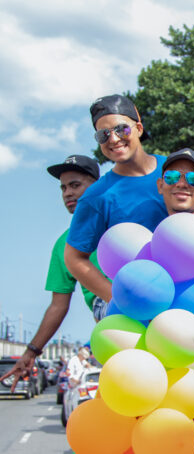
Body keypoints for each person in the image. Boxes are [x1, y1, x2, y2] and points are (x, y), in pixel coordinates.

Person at [65, 95, 194, 303]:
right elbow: (73, 258)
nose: (113, 139)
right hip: (136, 297)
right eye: (103, 135)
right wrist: (117, 298)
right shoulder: (97, 196)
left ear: (139, 128)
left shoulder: (176, 171)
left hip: (188, 290)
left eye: (121, 129)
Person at [0, 155, 100, 391]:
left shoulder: (123, 221)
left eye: (75, 185)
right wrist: (31, 352)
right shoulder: (63, 246)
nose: (67, 193)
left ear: (97, 185)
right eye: (63, 188)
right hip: (111, 326)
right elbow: (57, 306)